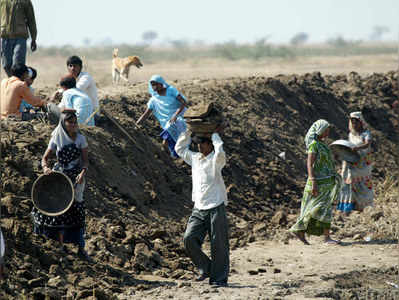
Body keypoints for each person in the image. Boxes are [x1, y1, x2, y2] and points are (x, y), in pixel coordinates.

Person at [32, 110, 90, 260]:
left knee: (76, 210)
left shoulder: (80, 139)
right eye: (69, 122)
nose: (73, 125)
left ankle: (80, 248)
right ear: (63, 124)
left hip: (76, 178)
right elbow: (45, 158)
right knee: (57, 209)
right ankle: (59, 246)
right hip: (59, 178)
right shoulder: (57, 138)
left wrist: (82, 172)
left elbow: (85, 161)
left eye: (75, 122)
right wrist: (45, 168)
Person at [175, 126, 229, 287]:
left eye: (203, 143)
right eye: (198, 143)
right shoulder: (195, 158)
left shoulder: (216, 159)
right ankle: (206, 268)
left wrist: (214, 136)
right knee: (189, 238)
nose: (199, 146)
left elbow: (220, 152)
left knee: (218, 244)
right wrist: (188, 132)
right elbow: (179, 148)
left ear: (210, 144)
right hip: (199, 207)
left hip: (216, 206)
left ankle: (219, 278)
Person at [290, 119, 341, 245]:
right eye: (326, 129)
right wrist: (313, 181)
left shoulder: (322, 144)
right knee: (313, 209)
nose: (328, 131)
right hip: (317, 184)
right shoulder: (314, 145)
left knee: (323, 209)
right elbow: (310, 164)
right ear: (320, 130)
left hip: (326, 184)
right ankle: (302, 230)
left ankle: (321, 236)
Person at [136, 75, 188, 158]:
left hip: (179, 117)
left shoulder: (171, 90)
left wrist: (175, 115)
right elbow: (146, 113)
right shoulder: (153, 100)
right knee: (166, 143)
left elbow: (184, 102)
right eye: (152, 85)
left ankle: (176, 156)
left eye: (156, 84)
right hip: (168, 123)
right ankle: (172, 159)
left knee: (167, 141)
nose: (154, 87)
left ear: (161, 83)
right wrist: (136, 124)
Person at [337, 112, 373, 214]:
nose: (354, 125)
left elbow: (367, 144)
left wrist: (357, 148)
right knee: (348, 182)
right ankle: (348, 206)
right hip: (351, 161)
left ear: (361, 122)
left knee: (362, 184)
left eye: (356, 122)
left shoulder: (366, 134)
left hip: (362, 164)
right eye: (352, 122)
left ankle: (363, 206)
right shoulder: (351, 135)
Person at [0, 0, 37, 77]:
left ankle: (19, 84)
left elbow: (31, 20)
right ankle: (14, 82)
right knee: (6, 64)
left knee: (18, 64)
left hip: (20, 37)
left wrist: (33, 38)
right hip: (4, 36)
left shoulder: (25, 2)